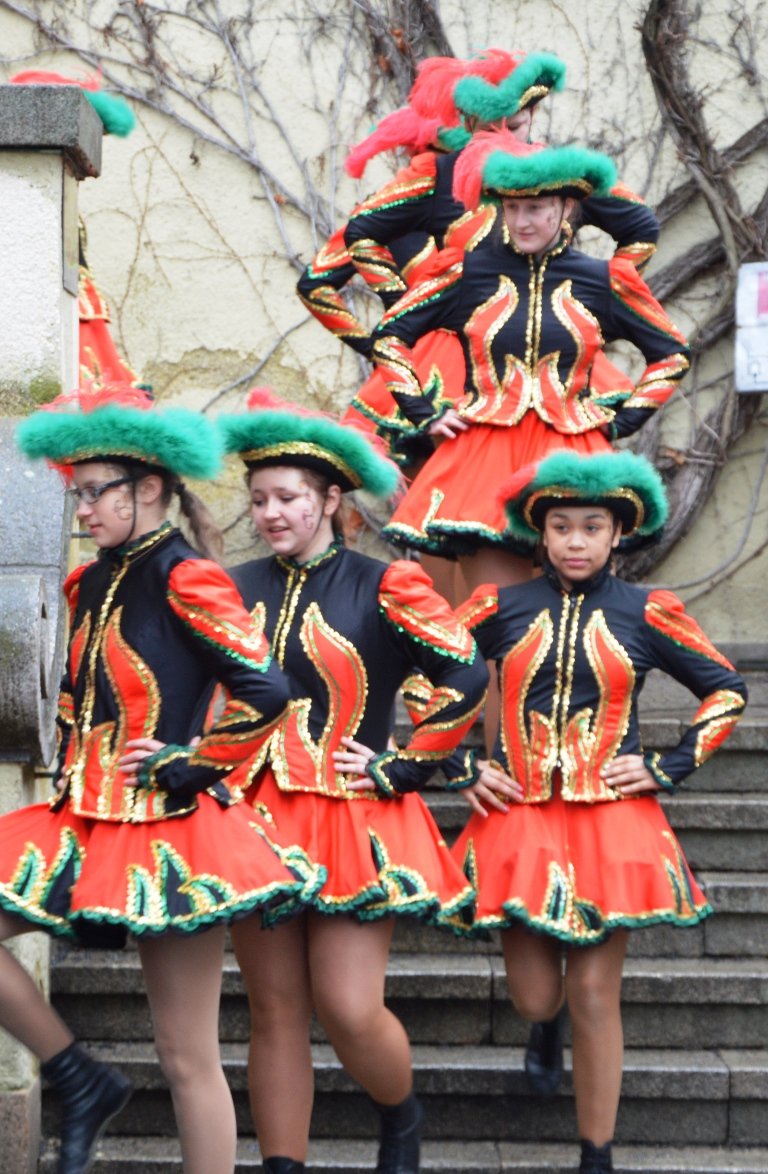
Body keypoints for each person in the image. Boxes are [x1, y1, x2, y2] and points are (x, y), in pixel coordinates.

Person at [1, 384, 318, 1174]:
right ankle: (75, 1074)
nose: (81, 509)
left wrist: (192, 763)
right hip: (85, 816)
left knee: (186, 1053)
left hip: (173, 830)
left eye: (94, 492)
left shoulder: (187, 576)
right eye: (75, 492)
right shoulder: (91, 580)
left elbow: (268, 691)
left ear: (147, 490)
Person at [446, 448, 747, 1173]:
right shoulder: (496, 607)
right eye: (561, 526)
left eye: (591, 526)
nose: (576, 541)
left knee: (593, 989)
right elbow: (436, 680)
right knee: (533, 996)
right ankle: (542, 1031)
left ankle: (596, 1154)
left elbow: (727, 692)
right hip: (518, 814)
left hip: (613, 818)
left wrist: (667, 765)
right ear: (540, 534)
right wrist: (462, 767)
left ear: (618, 534)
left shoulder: (650, 613)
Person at [217, 389, 489, 1174]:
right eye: (260, 499)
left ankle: (400, 1115)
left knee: (347, 1006)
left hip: (353, 815)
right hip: (256, 818)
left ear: (332, 500)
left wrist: (404, 766)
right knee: (272, 1009)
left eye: (290, 498)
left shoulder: (386, 585)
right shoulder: (230, 589)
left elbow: (465, 674)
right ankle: (282, 1164)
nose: (271, 513)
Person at [370, 131, 691, 595]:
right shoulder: (465, 272)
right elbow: (390, 339)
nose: (521, 221)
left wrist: (623, 421)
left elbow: (671, 353)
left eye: (535, 208)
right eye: (512, 208)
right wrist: (425, 414)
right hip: (485, 459)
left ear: (566, 208)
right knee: (498, 619)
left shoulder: (602, 280)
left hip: (576, 456)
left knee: (582, 616)